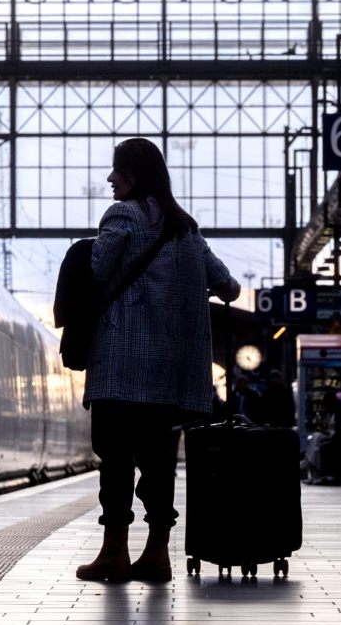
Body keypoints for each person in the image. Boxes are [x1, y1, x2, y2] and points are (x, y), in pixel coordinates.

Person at [76, 138, 240, 583]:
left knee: (115, 459)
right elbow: (229, 286)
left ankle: (113, 553)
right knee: (160, 461)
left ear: (135, 174)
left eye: (117, 171)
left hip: (121, 371)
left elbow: (95, 273)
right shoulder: (186, 229)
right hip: (171, 377)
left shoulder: (123, 215)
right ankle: (157, 553)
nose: (110, 180)